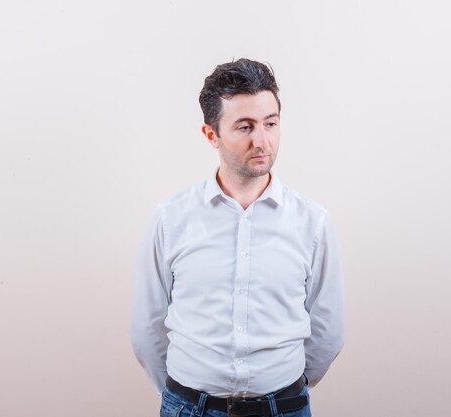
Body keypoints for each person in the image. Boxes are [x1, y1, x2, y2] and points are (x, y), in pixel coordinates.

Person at [130, 58, 345, 417]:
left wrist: (283, 390)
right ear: (211, 135)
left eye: (270, 124)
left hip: (285, 408)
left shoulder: (313, 222)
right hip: (189, 408)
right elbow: (147, 328)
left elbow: (328, 329)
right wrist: (183, 396)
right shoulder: (171, 219)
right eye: (244, 126)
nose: (262, 140)